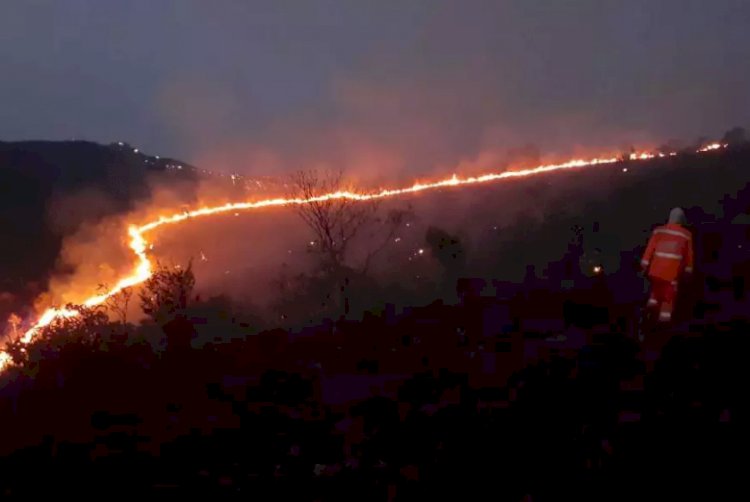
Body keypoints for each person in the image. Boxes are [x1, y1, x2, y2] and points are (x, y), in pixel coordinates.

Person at [640, 207, 694, 324]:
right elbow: (688, 256)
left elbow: (649, 250)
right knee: (668, 299)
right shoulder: (686, 235)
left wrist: (644, 265)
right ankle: (663, 325)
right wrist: (688, 271)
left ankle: (647, 317)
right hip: (672, 273)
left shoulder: (658, 231)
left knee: (655, 293)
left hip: (655, 272)